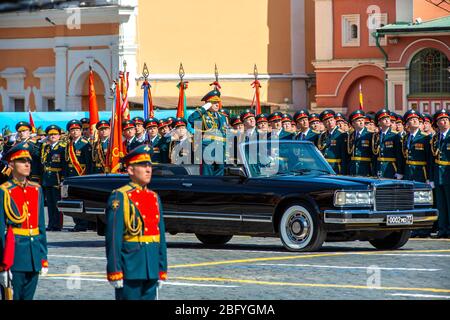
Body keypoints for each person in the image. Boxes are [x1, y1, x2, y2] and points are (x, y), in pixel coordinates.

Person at [105, 144, 167, 300]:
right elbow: (113, 237)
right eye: (143, 166)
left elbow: (160, 237)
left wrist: (161, 268)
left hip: (151, 266)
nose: (148, 170)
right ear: (131, 170)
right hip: (130, 266)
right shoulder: (120, 196)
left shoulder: (154, 197)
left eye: (149, 166)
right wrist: (114, 270)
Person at [0, 143, 48, 300]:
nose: (27, 164)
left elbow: (40, 227)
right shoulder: (5, 191)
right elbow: (0, 230)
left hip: (33, 254)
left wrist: (43, 256)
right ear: (11, 164)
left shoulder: (36, 189)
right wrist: (2, 264)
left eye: (28, 161)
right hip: (14, 255)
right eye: (22, 161)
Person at [188, 89, 228, 176]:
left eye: (218, 102)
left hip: (221, 147)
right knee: (208, 171)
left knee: (220, 169)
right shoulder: (203, 116)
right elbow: (191, 119)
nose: (217, 104)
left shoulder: (222, 117)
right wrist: (203, 109)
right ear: (208, 104)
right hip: (208, 147)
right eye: (214, 102)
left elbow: (225, 134)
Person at [64, 119, 93, 232]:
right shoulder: (69, 145)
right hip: (71, 177)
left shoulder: (86, 144)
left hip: (82, 175)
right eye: (72, 130)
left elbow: (89, 163)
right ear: (69, 132)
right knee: (72, 200)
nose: (75, 132)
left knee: (82, 201)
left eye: (77, 129)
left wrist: (88, 177)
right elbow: (66, 163)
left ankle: (83, 223)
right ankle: (77, 223)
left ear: (81, 131)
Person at [41, 125, 66, 231]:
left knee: (57, 203)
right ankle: (51, 224)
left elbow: (64, 165)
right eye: (50, 134)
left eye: (55, 134)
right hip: (48, 179)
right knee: (50, 204)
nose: (53, 136)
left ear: (59, 136)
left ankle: (57, 224)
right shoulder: (46, 148)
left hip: (57, 179)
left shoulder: (62, 148)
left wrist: (63, 179)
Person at [431, 109, 450, 239]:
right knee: (441, 204)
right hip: (438, 174)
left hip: (448, 174)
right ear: (437, 123)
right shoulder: (435, 138)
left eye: (446, 119)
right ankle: (443, 228)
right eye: (441, 120)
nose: (444, 122)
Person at [372, 109, 404, 179]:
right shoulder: (376, 136)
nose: (387, 121)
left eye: (388, 118)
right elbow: (374, 155)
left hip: (391, 168)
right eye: (384, 119)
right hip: (379, 168)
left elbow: (399, 155)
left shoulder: (395, 135)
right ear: (379, 122)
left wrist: (399, 171)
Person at [317, 110, 348, 174]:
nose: (330, 123)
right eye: (327, 121)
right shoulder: (322, 135)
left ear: (334, 120)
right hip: (325, 167)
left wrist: (343, 171)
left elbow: (344, 156)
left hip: (336, 167)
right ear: (324, 123)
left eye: (331, 120)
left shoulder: (341, 134)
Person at [347, 110, 374, 176]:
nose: (361, 122)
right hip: (353, 168)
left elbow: (373, 154)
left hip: (365, 168)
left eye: (362, 120)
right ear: (353, 123)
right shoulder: (350, 135)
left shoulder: (370, 134)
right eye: (359, 121)